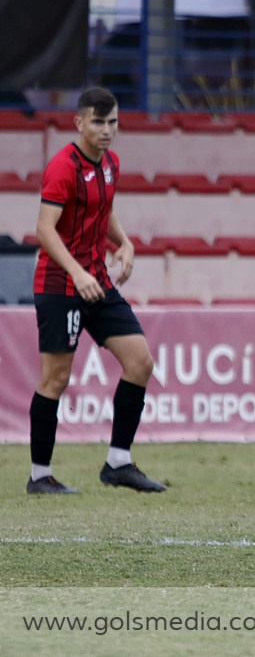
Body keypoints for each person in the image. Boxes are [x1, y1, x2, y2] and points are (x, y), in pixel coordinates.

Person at [28, 87, 166, 495]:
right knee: (55, 379)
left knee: (140, 362)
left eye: (113, 122)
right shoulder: (62, 167)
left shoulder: (110, 164)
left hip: (96, 282)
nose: (107, 130)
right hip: (60, 285)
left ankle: (118, 463)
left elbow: (102, 211)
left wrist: (124, 242)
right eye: (98, 122)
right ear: (79, 123)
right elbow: (43, 230)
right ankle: (40, 476)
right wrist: (77, 273)